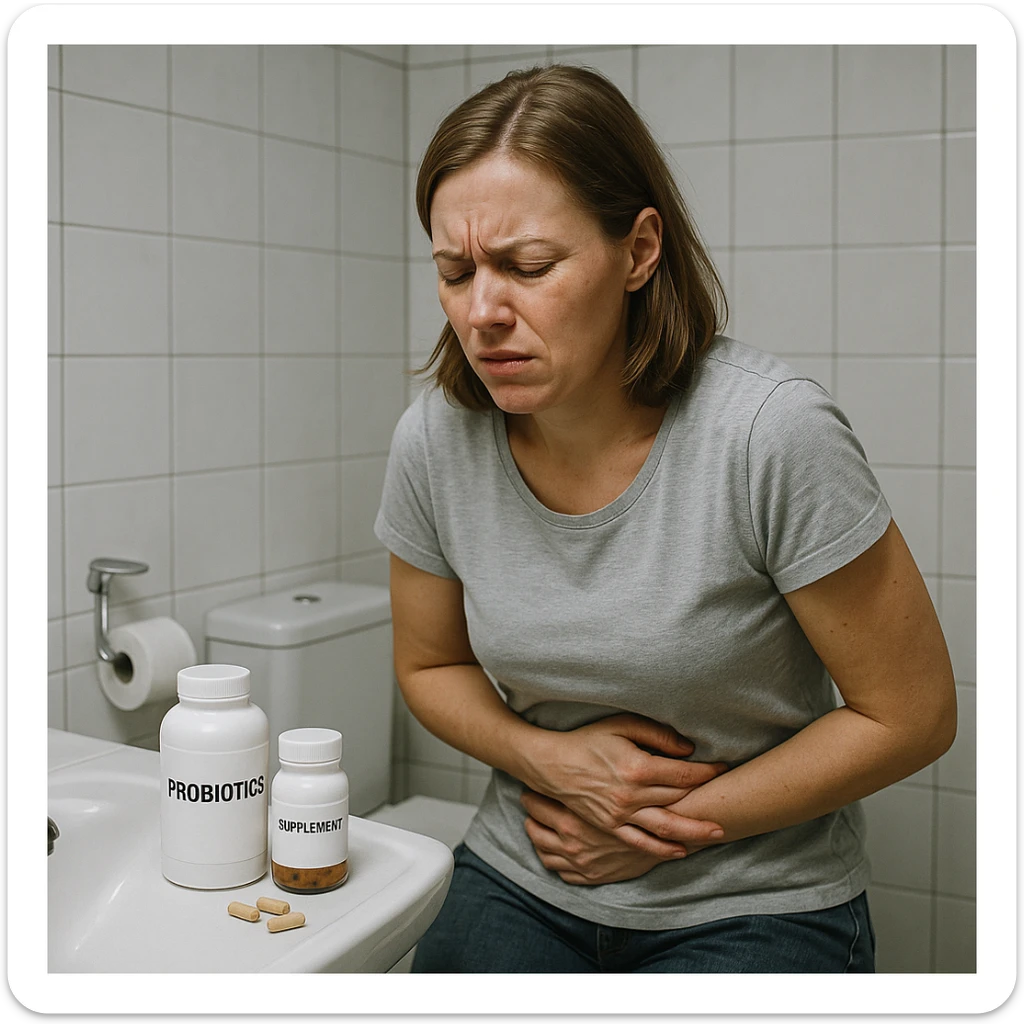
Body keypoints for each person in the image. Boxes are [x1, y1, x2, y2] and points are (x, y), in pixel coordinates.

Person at [373, 64, 957, 974]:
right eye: (456, 271)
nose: (483, 312)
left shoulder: (771, 432)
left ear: (639, 251)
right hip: (527, 870)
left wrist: (665, 828)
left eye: (529, 266)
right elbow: (429, 663)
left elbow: (911, 716)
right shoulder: (436, 441)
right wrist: (550, 759)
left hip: (751, 896)